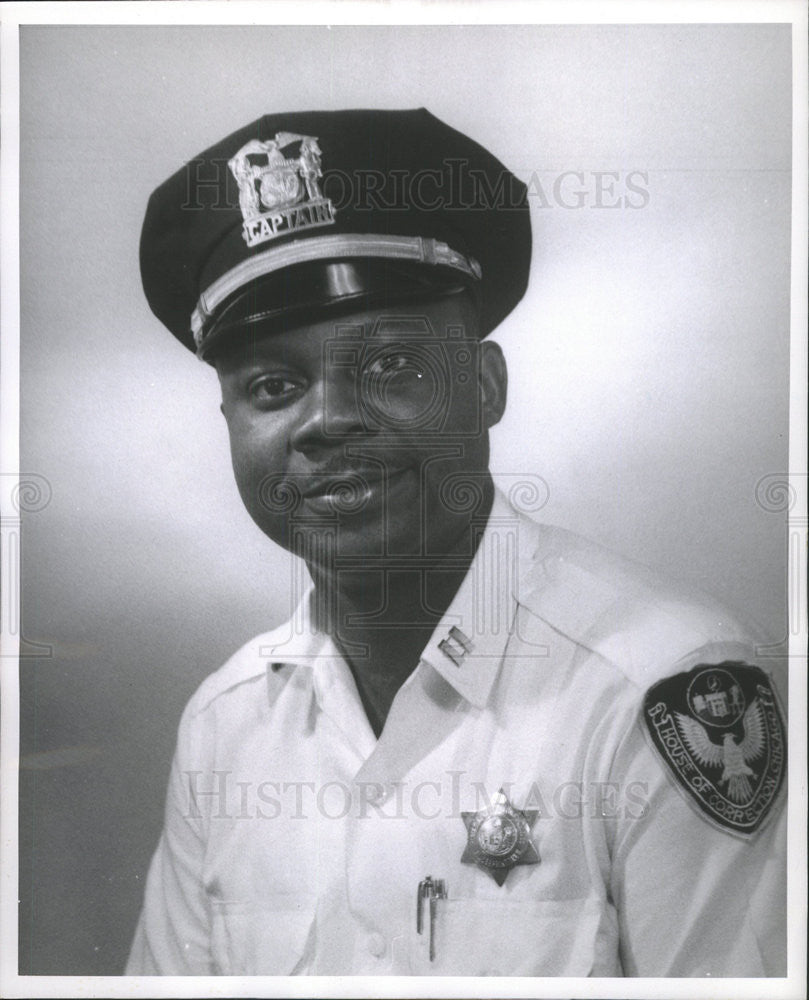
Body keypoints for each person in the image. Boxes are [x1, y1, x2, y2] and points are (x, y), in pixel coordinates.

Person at [127, 108, 786, 977]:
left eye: (390, 365)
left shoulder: (660, 688)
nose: (323, 420)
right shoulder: (227, 723)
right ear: (229, 422)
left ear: (484, 386)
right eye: (273, 385)